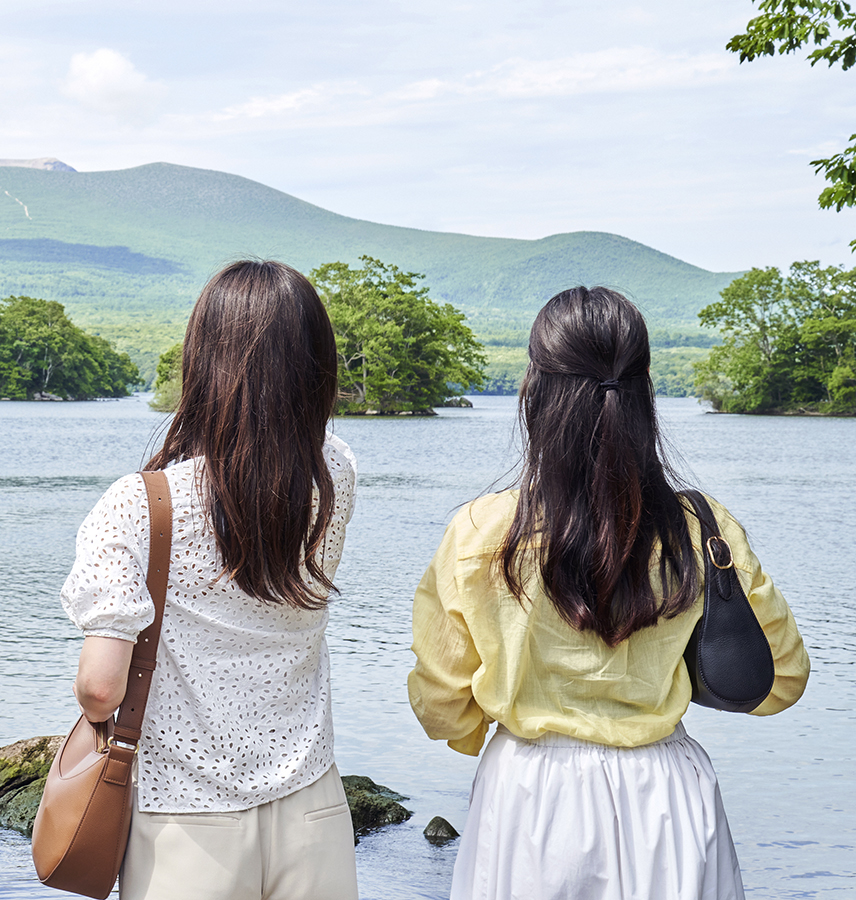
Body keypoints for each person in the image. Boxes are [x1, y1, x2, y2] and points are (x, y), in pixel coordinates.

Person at [410, 286, 810, 900]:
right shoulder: (703, 528)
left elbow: (444, 707)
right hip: (670, 799)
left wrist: (483, 723)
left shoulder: (481, 531)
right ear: (645, 395)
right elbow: (780, 679)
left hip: (530, 800)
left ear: (534, 395)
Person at [62, 259, 358, 900]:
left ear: (204, 362)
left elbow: (100, 688)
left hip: (185, 818)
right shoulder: (333, 475)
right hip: (313, 802)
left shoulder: (137, 505)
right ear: (317, 364)